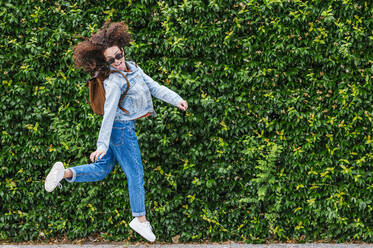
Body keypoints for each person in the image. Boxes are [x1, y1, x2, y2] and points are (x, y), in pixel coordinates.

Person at [44, 21, 188, 242]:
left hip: (120, 130)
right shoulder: (113, 81)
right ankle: (140, 220)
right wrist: (101, 145)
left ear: (123, 49)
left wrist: (176, 99)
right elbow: (109, 114)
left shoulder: (134, 67)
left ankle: (65, 173)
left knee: (102, 170)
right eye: (110, 60)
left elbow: (154, 86)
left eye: (118, 56)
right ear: (105, 62)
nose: (117, 62)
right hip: (121, 130)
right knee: (136, 174)